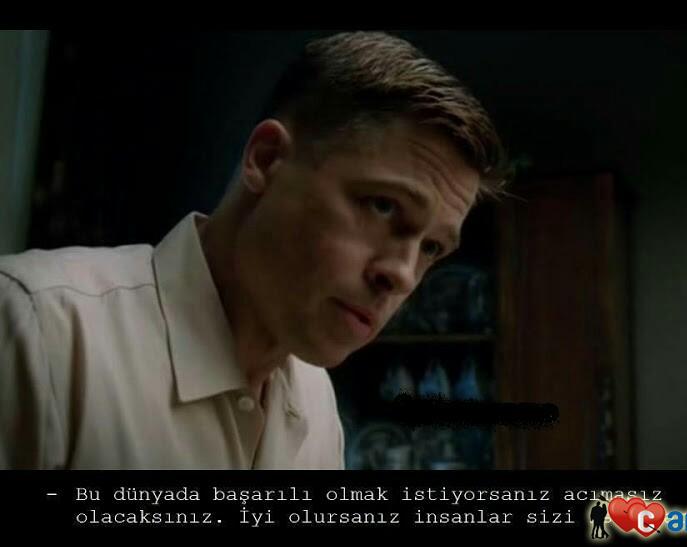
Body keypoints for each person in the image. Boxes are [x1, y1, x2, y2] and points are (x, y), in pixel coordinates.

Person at [0, 31, 508, 469]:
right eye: (382, 205)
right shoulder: (41, 330)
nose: (403, 274)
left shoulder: (316, 405)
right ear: (266, 160)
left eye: (432, 247)